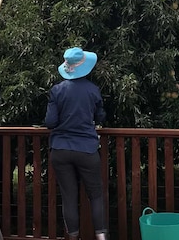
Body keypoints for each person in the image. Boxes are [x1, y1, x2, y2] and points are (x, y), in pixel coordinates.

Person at [44, 47, 108, 240]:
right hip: (87, 149)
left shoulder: (57, 90)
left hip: (61, 149)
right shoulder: (93, 90)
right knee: (95, 195)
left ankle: (72, 237)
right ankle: (102, 237)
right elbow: (101, 116)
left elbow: (50, 122)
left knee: (69, 197)